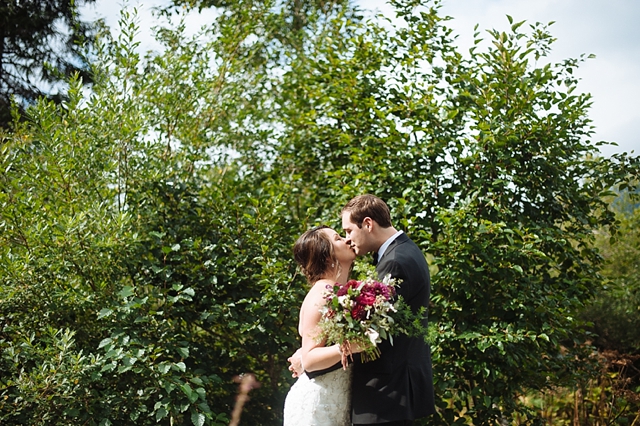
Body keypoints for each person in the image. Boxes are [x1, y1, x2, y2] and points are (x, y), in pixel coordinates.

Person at [341, 194, 435, 425]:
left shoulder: (395, 261)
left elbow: (376, 328)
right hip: (396, 389)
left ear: (368, 224)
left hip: (388, 392)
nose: (347, 240)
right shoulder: (403, 251)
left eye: (348, 231)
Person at [283, 225, 360, 426]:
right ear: (327, 257)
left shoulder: (343, 291)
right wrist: (353, 345)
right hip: (317, 406)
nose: (347, 240)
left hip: (338, 402)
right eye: (338, 238)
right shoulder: (323, 293)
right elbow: (309, 359)